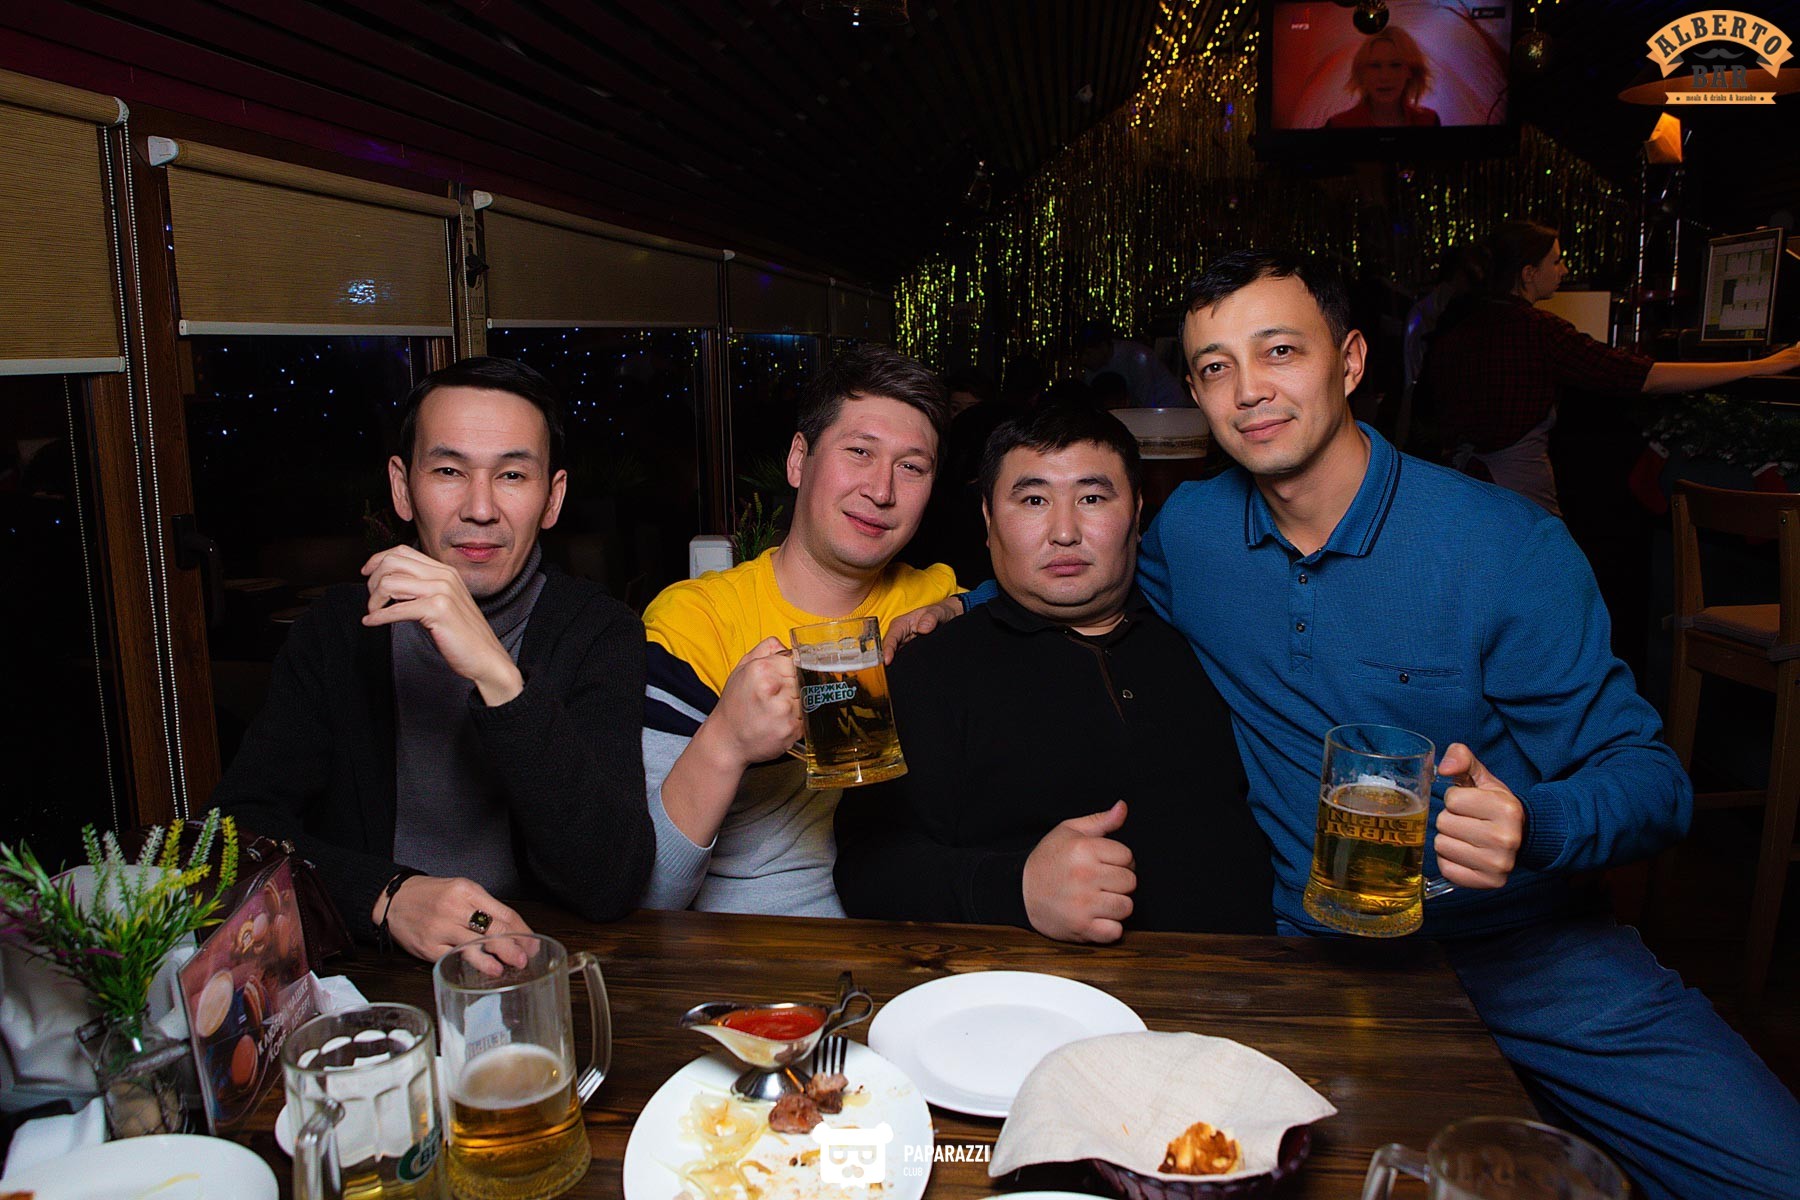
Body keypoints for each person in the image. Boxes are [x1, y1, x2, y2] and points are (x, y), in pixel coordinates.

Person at [1140, 248, 1800, 1200]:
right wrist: (956, 605)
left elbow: (1653, 781)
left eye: (1280, 350)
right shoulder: (1194, 532)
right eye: (1215, 367)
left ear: (1350, 362)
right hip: (1314, 955)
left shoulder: (1505, 547)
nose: (1249, 390)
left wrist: (1535, 824)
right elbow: (1088, 583)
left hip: (1534, 954)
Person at [214, 358, 653, 968]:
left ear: (552, 499)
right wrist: (386, 895)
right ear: (402, 487)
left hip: (536, 967)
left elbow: (609, 882)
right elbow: (230, 839)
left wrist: (499, 677)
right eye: (449, 471)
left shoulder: (599, 632)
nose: (480, 508)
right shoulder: (336, 634)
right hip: (365, 975)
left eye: (512, 475)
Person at [835, 405, 1273, 940]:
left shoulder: (1207, 638)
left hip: (1254, 978)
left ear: (1137, 513)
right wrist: (1017, 888)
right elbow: (867, 869)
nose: (1064, 532)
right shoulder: (926, 667)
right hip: (1032, 985)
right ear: (989, 520)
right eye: (1034, 500)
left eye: (1092, 498)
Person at [639, 345, 966, 916]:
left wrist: (960, 612)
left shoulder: (933, 598)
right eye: (859, 452)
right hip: (755, 939)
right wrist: (726, 740)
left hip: (912, 932)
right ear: (798, 460)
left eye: (911, 467)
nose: (881, 491)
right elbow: (650, 892)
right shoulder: (697, 621)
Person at [1428, 219, 1800, 514]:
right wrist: (1762, 365)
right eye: (1556, 261)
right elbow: (1643, 377)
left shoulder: (1461, 324)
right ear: (1528, 273)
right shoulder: (1537, 329)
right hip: (1518, 493)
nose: (1564, 269)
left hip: (1459, 488)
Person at [1324, 28, 1440, 128]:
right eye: (1375, 66)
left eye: (1395, 65)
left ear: (1410, 71)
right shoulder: (1339, 125)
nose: (1385, 77)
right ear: (1363, 72)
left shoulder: (1428, 121)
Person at [1078, 325, 1187, 409]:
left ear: (1103, 347)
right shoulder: (1092, 368)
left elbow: (1146, 400)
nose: (1084, 360)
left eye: (1088, 354)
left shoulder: (1136, 357)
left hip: (1169, 410)